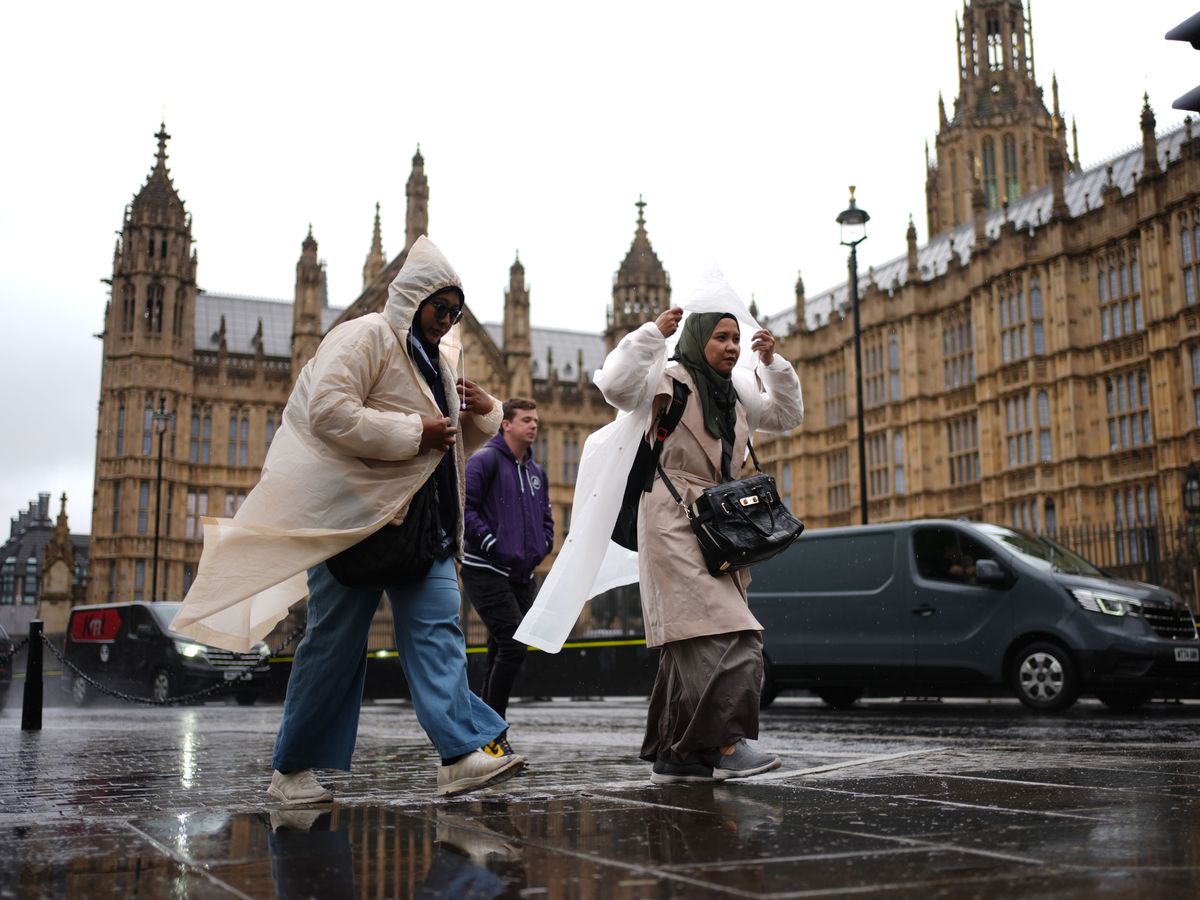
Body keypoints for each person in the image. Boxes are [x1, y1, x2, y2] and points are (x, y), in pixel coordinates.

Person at [171, 236, 523, 803]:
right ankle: (291, 771)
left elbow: (446, 447)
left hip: (424, 526)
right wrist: (415, 430)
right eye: (441, 308)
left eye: (456, 313)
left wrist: (486, 411)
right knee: (332, 647)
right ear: (413, 298)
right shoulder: (364, 336)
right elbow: (329, 412)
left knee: (440, 633)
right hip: (357, 524)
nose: (448, 321)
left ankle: (460, 754)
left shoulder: (438, 361)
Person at [598, 306, 804, 784]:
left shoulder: (737, 393)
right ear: (696, 339)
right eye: (720, 337)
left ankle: (679, 755)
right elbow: (615, 386)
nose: (732, 346)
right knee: (730, 632)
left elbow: (787, 415)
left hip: (721, 521)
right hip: (671, 515)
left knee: (690, 637)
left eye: (735, 338)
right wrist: (651, 335)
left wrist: (773, 366)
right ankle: (726, 742)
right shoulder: (666, 380)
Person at [461, 398, 554, 718]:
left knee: (502, 647)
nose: (534, 425)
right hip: (486, 568)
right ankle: (493, 726)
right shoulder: (484, 461)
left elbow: (546, 517)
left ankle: (487, 727)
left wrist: (544, 544)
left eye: (536, 420)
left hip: (521, 573)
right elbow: (465, 507)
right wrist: (491, 542)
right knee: (513, 646)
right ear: (506, 425)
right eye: (526, 420)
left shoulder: (536, 472)